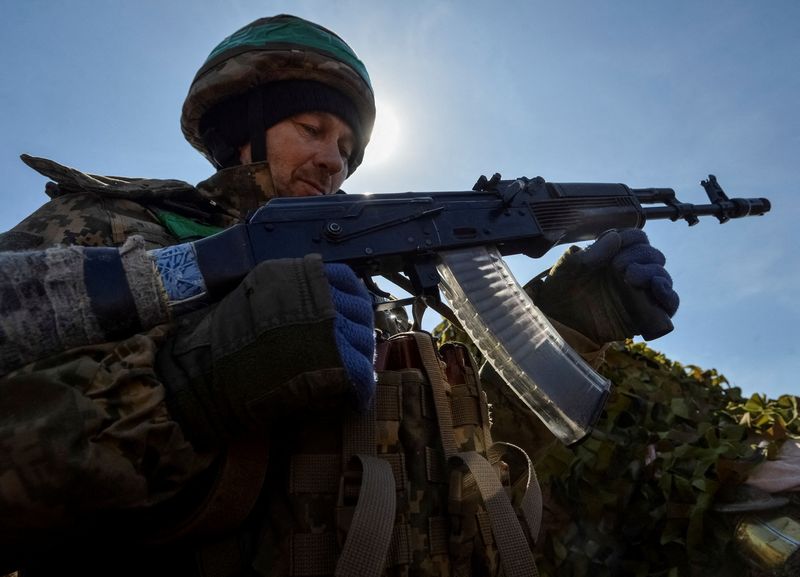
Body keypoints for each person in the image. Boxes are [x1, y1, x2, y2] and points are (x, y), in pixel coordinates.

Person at [0, 14, 679, 577]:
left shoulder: (364, 290)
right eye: (312, 130)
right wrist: (194, 386)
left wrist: (568, 323)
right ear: (245, 135)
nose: (335, 161)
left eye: (348, 145)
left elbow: (442, 462)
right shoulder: (114, 232)